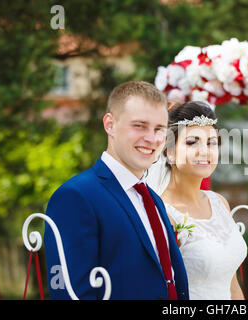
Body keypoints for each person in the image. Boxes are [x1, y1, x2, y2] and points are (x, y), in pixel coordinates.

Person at [44, 81, 189, 300]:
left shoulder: (153, 199)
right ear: (110, 124)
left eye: (159, 128)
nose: (152, 138)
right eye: (139, 126)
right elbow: (72, 294)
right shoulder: (76, 197)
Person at [147, 101, 247, 300]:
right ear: (169, 151)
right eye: (192, 142)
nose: (205, 151)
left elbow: (232, 286)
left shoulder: (219, 203)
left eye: (211, 142)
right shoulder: (162, 214)